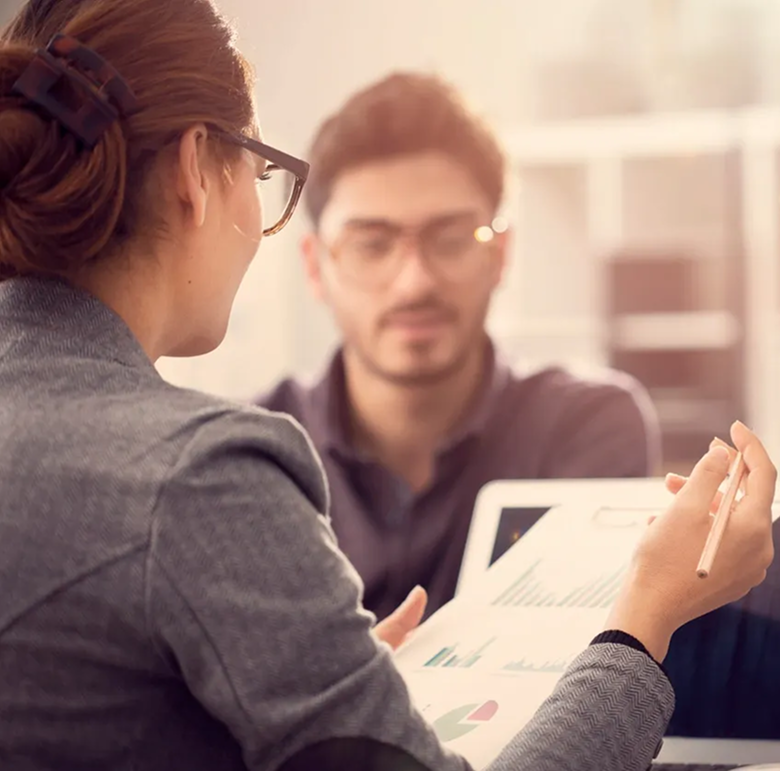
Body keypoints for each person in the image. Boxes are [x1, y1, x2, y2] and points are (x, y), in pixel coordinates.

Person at [0, 1, 775, 771]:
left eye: (448, 236)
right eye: (262, 170)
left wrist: (328, 688)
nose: (414, 281)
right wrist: (648, 616)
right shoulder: (203, 475)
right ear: (200, 170)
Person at [257, 73, 662, 620]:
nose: (414, 282)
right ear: (315, 265)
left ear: (500, 254)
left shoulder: (587, 427)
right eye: (372, 244)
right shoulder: (253, 450)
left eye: (450, 239)